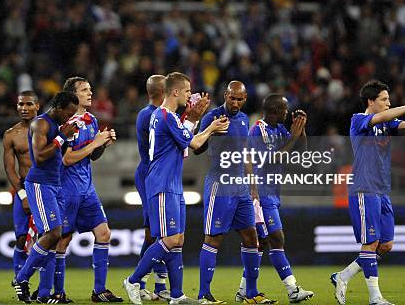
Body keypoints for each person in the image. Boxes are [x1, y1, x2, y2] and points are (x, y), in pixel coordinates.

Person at [123, 72, 229, 305]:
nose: (190, 95)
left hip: (172, 182)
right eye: (188, 91)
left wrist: (196, 119)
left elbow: (185, 137)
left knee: (178, 239)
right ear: (175, 92)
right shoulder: (165, 117)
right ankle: (133, 281)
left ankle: (177, 294)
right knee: (169, 239)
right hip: (162, 183)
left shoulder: (165, 117)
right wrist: (211, 127)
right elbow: (195, 142)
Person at [331, 80, 405, 305]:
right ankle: (375, 298)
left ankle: (343, 276)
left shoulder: (388, 123)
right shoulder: (358, 120)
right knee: (370, 243)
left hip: (382, 190)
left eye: (388, 99)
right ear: (371, 101)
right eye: (384, 99)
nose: (388, 103)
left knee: (385, 245)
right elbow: (382, 118)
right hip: (364, 188)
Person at [194, 81, 272, 305]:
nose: (235, 103)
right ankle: (204, 295)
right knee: (214, 237)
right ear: (225, 95)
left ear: (245, 99)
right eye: (232, 98)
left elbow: (245, 153)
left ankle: (250, 293)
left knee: (251, 237)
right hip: (220, 184)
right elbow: (196, 148)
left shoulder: (244, 119)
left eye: (239, 99)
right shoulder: (213, 117)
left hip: (241, 187)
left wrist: (253, 187)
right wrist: (210, 130)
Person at [237, 94, 313, 303]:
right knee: (276, 238)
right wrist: (294, 136)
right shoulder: (257, 130)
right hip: (260, 193)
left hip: (272, 192)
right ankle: (292, 289)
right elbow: (273, 157)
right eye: (285, 110)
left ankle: (243, 290)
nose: (287, 113)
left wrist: (301, 130)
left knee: (261, 243)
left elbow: (299, 153)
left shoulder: (278, 129)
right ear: (275, 110)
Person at [53, 77, 122, 302]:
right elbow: (66, 159)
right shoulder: (66, 122)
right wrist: (95, 143)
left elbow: (91, 155)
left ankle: (99, 290)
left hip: (87, 188)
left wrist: (102, 144)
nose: (90, 93)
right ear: (73, 96)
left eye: (90, 89)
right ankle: (57, 292)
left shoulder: (91, 119)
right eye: (84, 90)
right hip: (67, 189)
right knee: (62, 240)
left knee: (104, 233)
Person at [12, 91, 79, 303]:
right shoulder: (40, 124)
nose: (69, 118)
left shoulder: (57, 125)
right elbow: (40, 157)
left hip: (55, 184)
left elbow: (57, 154)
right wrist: (61, 137)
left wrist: (66, 138)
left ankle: (43, 294)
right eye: (68, 113)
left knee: (52, 238)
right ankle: (21, 278)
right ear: (58, 107)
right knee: (53, 233)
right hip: (40, 184)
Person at [134, 75, 170, 301]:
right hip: (150, 176)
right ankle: (138, 282)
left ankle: (158, 285)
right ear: (163, 90)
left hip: (157, 175)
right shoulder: (150, 115)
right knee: (154, 232)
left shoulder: (156, 114)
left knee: (160, 232)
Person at [3, 91, 40, 278]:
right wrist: (22, 195)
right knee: (21, 237)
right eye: (20, 105)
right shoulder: (11, 134)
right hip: (25, 189)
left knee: (48, 238)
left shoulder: (49, 129)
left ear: (37, 106)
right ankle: (19, 282)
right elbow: (10, 169)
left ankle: (45, 286)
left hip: (46, 188)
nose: (24, 108)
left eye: (28, 104)